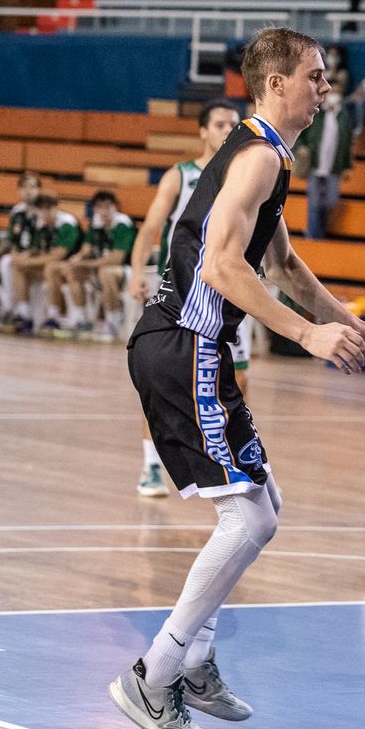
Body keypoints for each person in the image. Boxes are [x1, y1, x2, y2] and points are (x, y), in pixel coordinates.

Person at [111, 27, 365, 729]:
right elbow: (220, 266)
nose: (326, 87)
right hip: (183, 343)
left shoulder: (269, 154)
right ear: (277, 83)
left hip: (195, 347)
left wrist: (352, 325)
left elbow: (285, 267)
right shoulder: (256, 157)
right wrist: (306, 337)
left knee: (263, 505)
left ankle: (195, 660)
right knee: (246, 519)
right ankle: (153, 675)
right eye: (315, 75)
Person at [130, 101, 243, 497]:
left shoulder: (242, 175)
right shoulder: (180, 176)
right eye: (220, 123)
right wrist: (136, 270)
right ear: (202, 131)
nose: (228, 129)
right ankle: (151, 466)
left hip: (227, 292)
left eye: (233, 123)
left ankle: (225, 456)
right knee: (162, 383)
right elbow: (151, 227)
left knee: (237, 378)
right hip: (179, 290)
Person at [51, 189, 134, 338]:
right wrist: (77, 259)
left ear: (115, 207)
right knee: (71, 270)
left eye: (108, 206)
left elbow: (116, 259)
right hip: (99, 267)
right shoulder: (96, 223)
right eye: (100, 207)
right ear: (95, 209)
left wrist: (86, 264)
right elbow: (86, 248)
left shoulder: (123, 224)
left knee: (106, 273)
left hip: (128, 270)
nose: (104, 211)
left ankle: (113, 322)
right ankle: (81, 319)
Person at [295, 91, 354, 239]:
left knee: (331, 202)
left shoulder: (344, 116)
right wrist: (301, 147)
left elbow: (347, 143)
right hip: (315, 164)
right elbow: (300, 133)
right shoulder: (315, 113)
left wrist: (347, 167)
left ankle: (318, 233)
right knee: (314, 204)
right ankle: (314, 237)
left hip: (333, 166)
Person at [0, 172, 43, 330]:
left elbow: (44, 239)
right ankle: (9, 308)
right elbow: (11, 239)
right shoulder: (17, 212)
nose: (28, 191)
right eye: (25, 187)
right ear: (19, 191)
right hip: (19, 255)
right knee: (4, 262)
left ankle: (20, 311)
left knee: (10, 263)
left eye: (33, 187)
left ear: (39, 190)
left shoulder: (42, 211)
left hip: (38, 256)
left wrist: (28, 253)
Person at [23, 194, 84, 336]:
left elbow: (58, 255)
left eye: (49, 208)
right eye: (41, 209)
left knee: (51, 268)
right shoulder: (41, 225)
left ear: (56, 208)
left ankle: (56, 315)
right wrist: (24, 257)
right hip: (56, 266)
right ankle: (23, 313)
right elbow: (36, 250)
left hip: (76, 265)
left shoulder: (67, 223)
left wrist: (28, 261)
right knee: (13, 265)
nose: (45, 213)